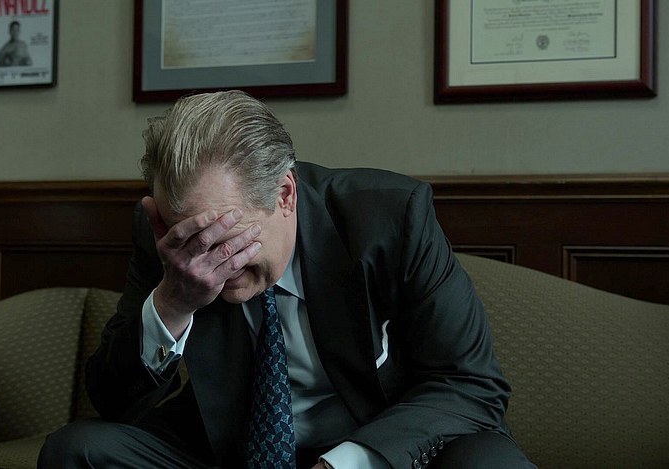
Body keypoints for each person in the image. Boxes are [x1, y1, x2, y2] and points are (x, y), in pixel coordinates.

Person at [38, 91, 535, 468]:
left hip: (380, 439)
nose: (208, 260)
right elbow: (114, 401)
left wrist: (345, 464)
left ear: (285, 195)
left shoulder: (389, 218)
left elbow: (470, 383)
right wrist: (172, 302)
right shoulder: (166, 240)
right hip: (233, 446)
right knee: (79, 450)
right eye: (190, 239)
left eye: (225, 235)